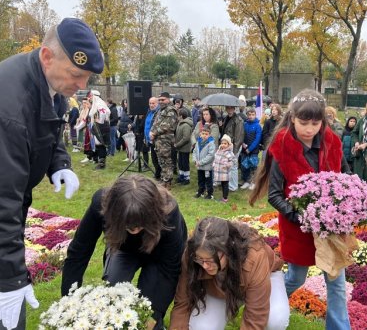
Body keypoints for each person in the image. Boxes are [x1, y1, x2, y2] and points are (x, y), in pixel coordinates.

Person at [0, 18, 102, 330]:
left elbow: (49, 126)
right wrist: (12, 278)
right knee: (7, 313)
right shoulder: (9, 109)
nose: (82, 86)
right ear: (46, 56)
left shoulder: (44, 79)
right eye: (76, 75)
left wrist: (59, 163)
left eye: (87, 77)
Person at [250, 89, 351, 330]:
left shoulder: (332, 142)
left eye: (315, 123)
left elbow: (346, 176)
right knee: (296, 277)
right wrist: (301, 217)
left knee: (336, 282)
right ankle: (261, 306)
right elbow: (275, 195)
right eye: (304, 123)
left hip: (331, 227)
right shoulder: (281, 147)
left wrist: (347, 204)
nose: (309, 129)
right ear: (292, 118)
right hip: (297, 227)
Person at [62, 175, 187, 330]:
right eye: (128, 225)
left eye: (140, 225)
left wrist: (154, 314)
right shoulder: (101, 205)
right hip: (123, 248)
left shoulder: (168, 212)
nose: (134, 231)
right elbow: (79, 252)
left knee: (148, 311)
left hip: (159, 254)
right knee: (113, 295)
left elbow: (169, 269)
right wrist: (68, 302)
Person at [169, 217, 289, 330]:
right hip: (219, 289)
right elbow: (183, 300)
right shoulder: (192, 253)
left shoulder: (255, 256)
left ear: (228, 251)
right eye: (200, 259)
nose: (204, 266)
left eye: (211, 260)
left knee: (276, 319)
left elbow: (255, 317)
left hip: (266, 277)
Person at [151, 91, 179, 188]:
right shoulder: (160, 110)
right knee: (161, 160)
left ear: (168, 100)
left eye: (163, 100)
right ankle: (163, 179)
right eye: (159, 100)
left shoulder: (171, 110)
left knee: (167, 160)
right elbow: (155, 123)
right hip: (158, 140)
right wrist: (151, 132)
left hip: (166, 140)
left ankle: (168, 181)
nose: (161, 101)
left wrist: (154, 132)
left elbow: (167, 126)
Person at [220, 105, 244, 191]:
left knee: (233, 166)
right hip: (226, 145)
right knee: (227, 165)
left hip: (234, 146)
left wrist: (234, 151)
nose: (229, 109)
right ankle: (228, 183)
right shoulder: (226, 118)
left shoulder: (238, 120)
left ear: (234, 109)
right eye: (228, 108)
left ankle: (233, 186)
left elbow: (239, 137)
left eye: (231, 108)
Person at [240, 107, 262, 190]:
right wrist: (242, 144)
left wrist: (250, 148)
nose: (251, 116)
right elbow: (241, 135)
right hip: (244, 149)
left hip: (253, 150)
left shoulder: (257, 126)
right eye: (249, 115)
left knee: (253, 166)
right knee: (245, 166)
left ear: (255, 115)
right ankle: (246, 181)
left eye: (252, 115)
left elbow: (257, 138)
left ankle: (254, 182)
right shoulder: (245, 124)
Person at [193, 125, 216, 199]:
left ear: (209, 135)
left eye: (206, 134)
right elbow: (194, 152)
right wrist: (195, 160)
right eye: (203, 133)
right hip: (199, 166)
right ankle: (201, 191)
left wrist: (200, 162)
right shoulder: (198, 142)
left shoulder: (211, 143)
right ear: (200, 134)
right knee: (200, 180)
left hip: (207, 167)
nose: (204, 135)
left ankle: (210, 194)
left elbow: (210, 155)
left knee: (208, 181)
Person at [213, 135, 236, 203]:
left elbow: (233, 161)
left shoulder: (229, 153)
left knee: (225, 184)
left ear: (229, 144)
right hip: (219, 171)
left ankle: (225, 198)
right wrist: (214, 164)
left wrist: (227, 165)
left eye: (225, 143)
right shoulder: (219, 150)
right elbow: (216, 157)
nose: (223, 145)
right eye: (222, 143)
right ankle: (223, 197)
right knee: (222, 184)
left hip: (225, 172)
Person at [175, 107, 193, 185]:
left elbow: (186, 138)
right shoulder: (180, 123)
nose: (177, 117)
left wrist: (177, 144)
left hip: (184, 148)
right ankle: (181, 176)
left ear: (181, 116)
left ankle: (186, 178)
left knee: (185, 163)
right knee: (180, 163)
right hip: (180, 148)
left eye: (178, 115)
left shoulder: (186, 125)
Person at [145, 96, 162, 181]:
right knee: (153, 158)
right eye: (150, 103)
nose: (151, 105)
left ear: (157, 103)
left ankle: (160, 175)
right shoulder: (149, 112)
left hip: (157, 139)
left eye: (153, 103)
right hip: (150, 139)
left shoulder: (159, 112)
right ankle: (157, 173)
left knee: (158, 158)